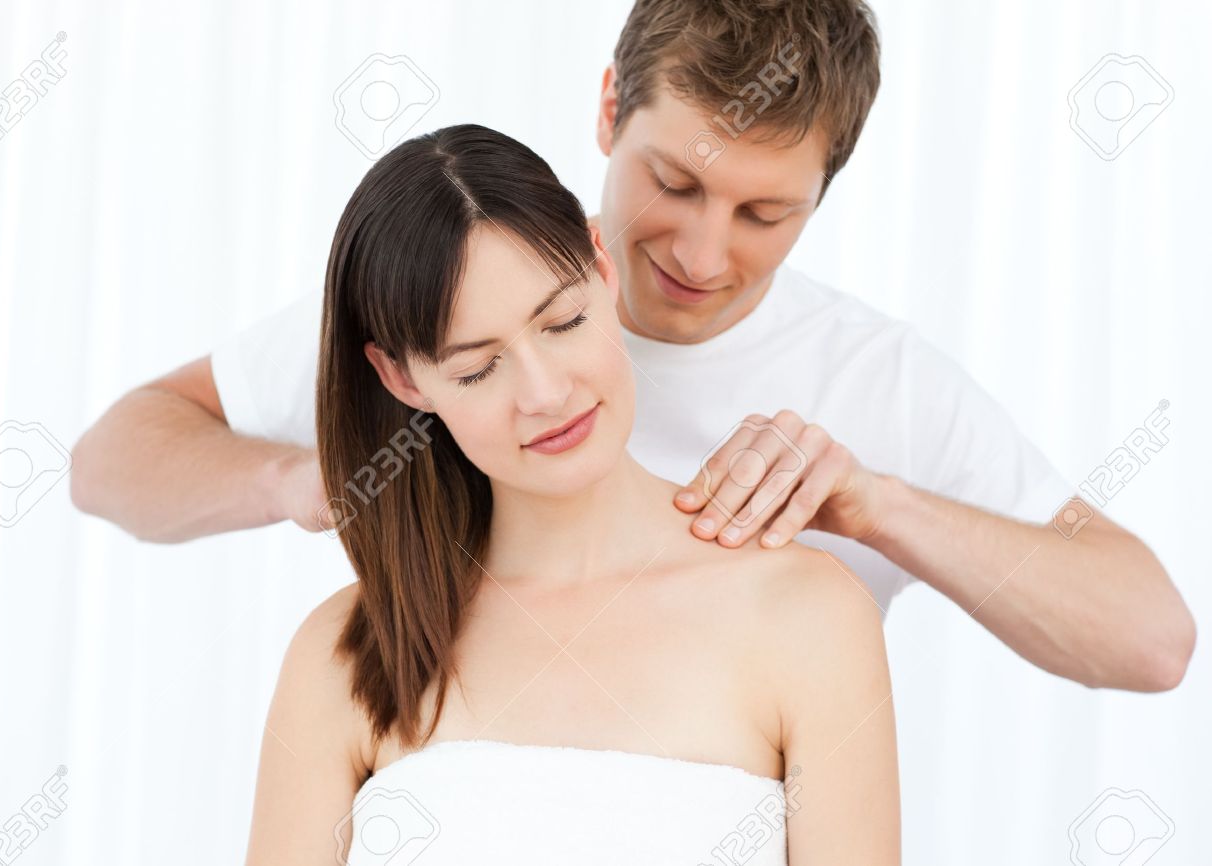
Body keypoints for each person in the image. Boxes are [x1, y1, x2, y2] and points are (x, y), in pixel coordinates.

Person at [71, 0, 1194, 691]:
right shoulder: (466, 290)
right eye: (674, 183)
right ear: (610, 109)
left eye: (765, 214)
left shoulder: (877, 380)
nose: (702, 253)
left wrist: (874, 504)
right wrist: (299, 477)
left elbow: (1152, 641)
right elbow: (109, 460)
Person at [243, 122, 899, 866]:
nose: (547, 394)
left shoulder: (808, 614)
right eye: (477, 368)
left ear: (601, 265)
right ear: (401, 378)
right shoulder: (348, 654)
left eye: (564, 322)